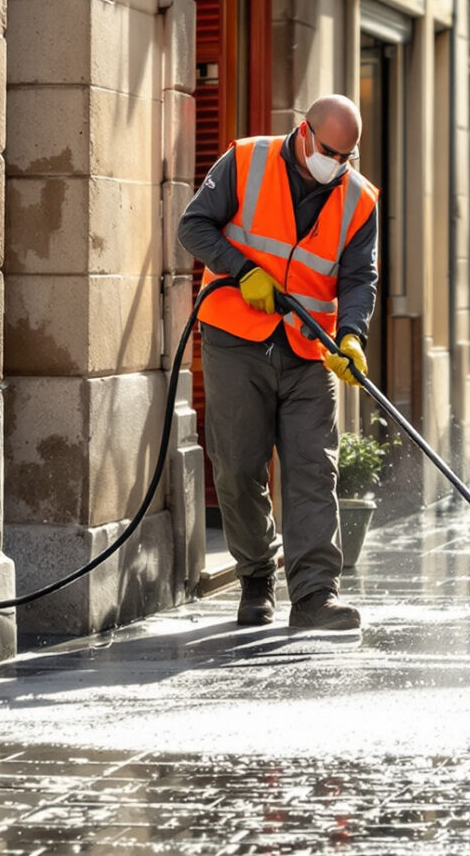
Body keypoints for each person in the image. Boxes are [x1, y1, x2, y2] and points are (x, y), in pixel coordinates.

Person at [179, 94, 378, 631]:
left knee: (314, 468)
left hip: (310, 351)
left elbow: (359, 278)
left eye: (347, 157)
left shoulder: (359, 200)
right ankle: (256, 575)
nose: (337, 165)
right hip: (236, 338)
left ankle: (315, 595)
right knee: (238, 467)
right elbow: (193, 226)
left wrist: (351, 336)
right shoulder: (246, 160)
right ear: (305, 133)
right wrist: (242, 270)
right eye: (330, 152)